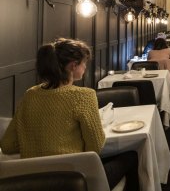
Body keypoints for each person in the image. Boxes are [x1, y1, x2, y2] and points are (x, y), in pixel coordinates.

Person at [0, 38, 139, 191]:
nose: (85, 66)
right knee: (131, 155)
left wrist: (39, 143)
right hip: (76, 179)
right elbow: (96, 146)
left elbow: (7, 146)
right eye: (84, 63)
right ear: (73, 66)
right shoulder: (83, 96)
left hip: (33, 181)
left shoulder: (30, 95)